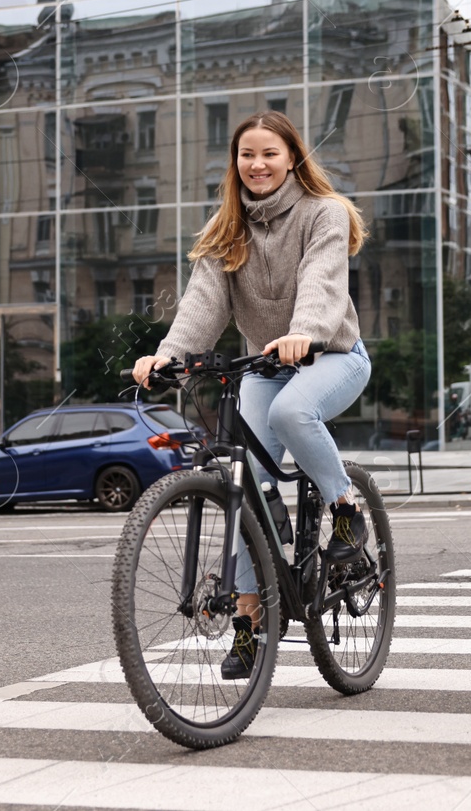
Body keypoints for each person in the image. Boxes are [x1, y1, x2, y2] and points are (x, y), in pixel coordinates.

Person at [132, 110, 372, 680]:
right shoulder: (226, 229)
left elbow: (322, 282)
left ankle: (345, 510)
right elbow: (201, 305)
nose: (257, 165)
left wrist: (305, 331)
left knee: (294, 411)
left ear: (292, 157)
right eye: (247, 155)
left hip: (333, 355)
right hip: (265, 365)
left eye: (269, 153)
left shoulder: (325, 214)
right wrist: (167, 356)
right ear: (234, 163)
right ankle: (250, 617)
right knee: (244, 483)